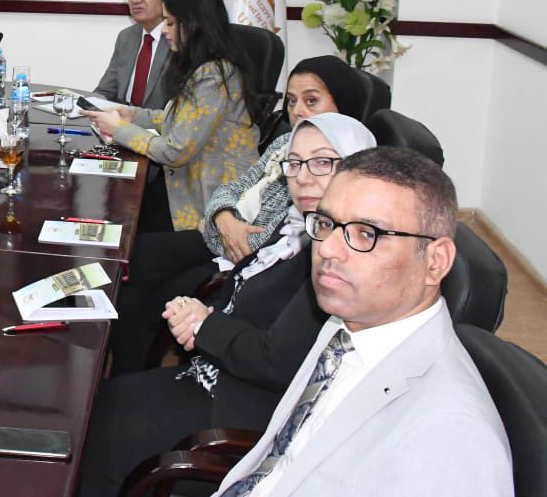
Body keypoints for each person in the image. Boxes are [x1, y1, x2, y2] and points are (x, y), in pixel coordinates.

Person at [78, 114, 377, 497]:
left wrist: (207, 326)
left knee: (100, 437)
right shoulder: (298, 228)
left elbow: (276, 360)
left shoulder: (336, 259)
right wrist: (200, 316)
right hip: (219, 376)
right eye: (295, 163)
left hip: (241, 413)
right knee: (93, 404)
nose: (303, 177)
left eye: (322, 162)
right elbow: (246, 292)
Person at [211, 147, 511, 496]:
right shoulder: (348, 323)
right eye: (326, 224)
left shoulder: (452, 438)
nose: (327, 249)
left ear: (435, 262)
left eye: (366, 233)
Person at [109, 55, 376, 372]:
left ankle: (130, 380)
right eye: (291, 101)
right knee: (127, 261)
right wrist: (222, 217)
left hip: (236, 263)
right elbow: (231, 189)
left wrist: (218, 223)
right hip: (221, 240)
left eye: (311, 101)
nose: (298, 111)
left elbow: (258, 246)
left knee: (147, 299)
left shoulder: (333, 173)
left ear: (343, 105)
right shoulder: (285, 143)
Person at [85, 0, 260, 232]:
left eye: (169, 23)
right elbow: (182, 119)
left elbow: (175, 151)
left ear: (193, 25)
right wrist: (133, 115)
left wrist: (120, 129)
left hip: (212, 203)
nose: (165, 31)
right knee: (120, 212)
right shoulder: (202, 66)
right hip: (186, 183)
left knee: (127, 228)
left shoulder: (214, 75)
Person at [94, 0, 174, 109]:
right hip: (119, 120)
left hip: (157, 122)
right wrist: (87, 105)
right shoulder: (127, 37)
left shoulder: (178, 39)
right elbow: (106, 91)